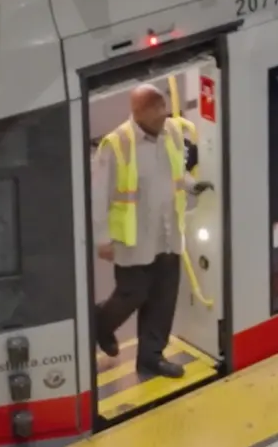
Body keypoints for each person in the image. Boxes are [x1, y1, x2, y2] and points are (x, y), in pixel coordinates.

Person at [92, 84, 196, 380]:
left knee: (163, 298)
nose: (163, 116)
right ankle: (101, 321)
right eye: (156, 112)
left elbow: (178, 171)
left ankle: (151, 357)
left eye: (163, 109)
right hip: (133, 237)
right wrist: (102, 239)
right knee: (132, 293)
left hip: (167, 232)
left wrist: (192, 186)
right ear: (138, 113)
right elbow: (99, 195)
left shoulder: (172, 132)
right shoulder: (116, 144)